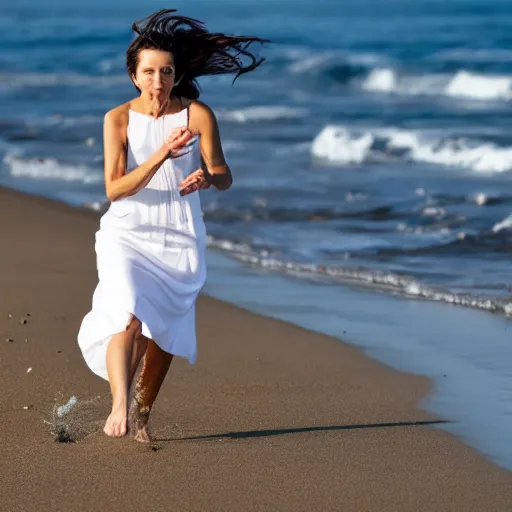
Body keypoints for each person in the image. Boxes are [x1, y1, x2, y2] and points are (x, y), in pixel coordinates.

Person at [77, 9, 265, 442]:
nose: (158, 80)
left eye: (166, 71)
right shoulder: (118, 119)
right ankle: (120, 407)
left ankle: (142, 413)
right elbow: (114, 189)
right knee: (126, 312)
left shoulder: (198, 115)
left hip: (178, 233)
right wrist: (162, 154)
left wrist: (208, 177)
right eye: (149, 72)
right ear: (134, 75)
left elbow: (224, 173)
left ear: (176, 74)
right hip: (127, 230)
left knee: (162, 330)